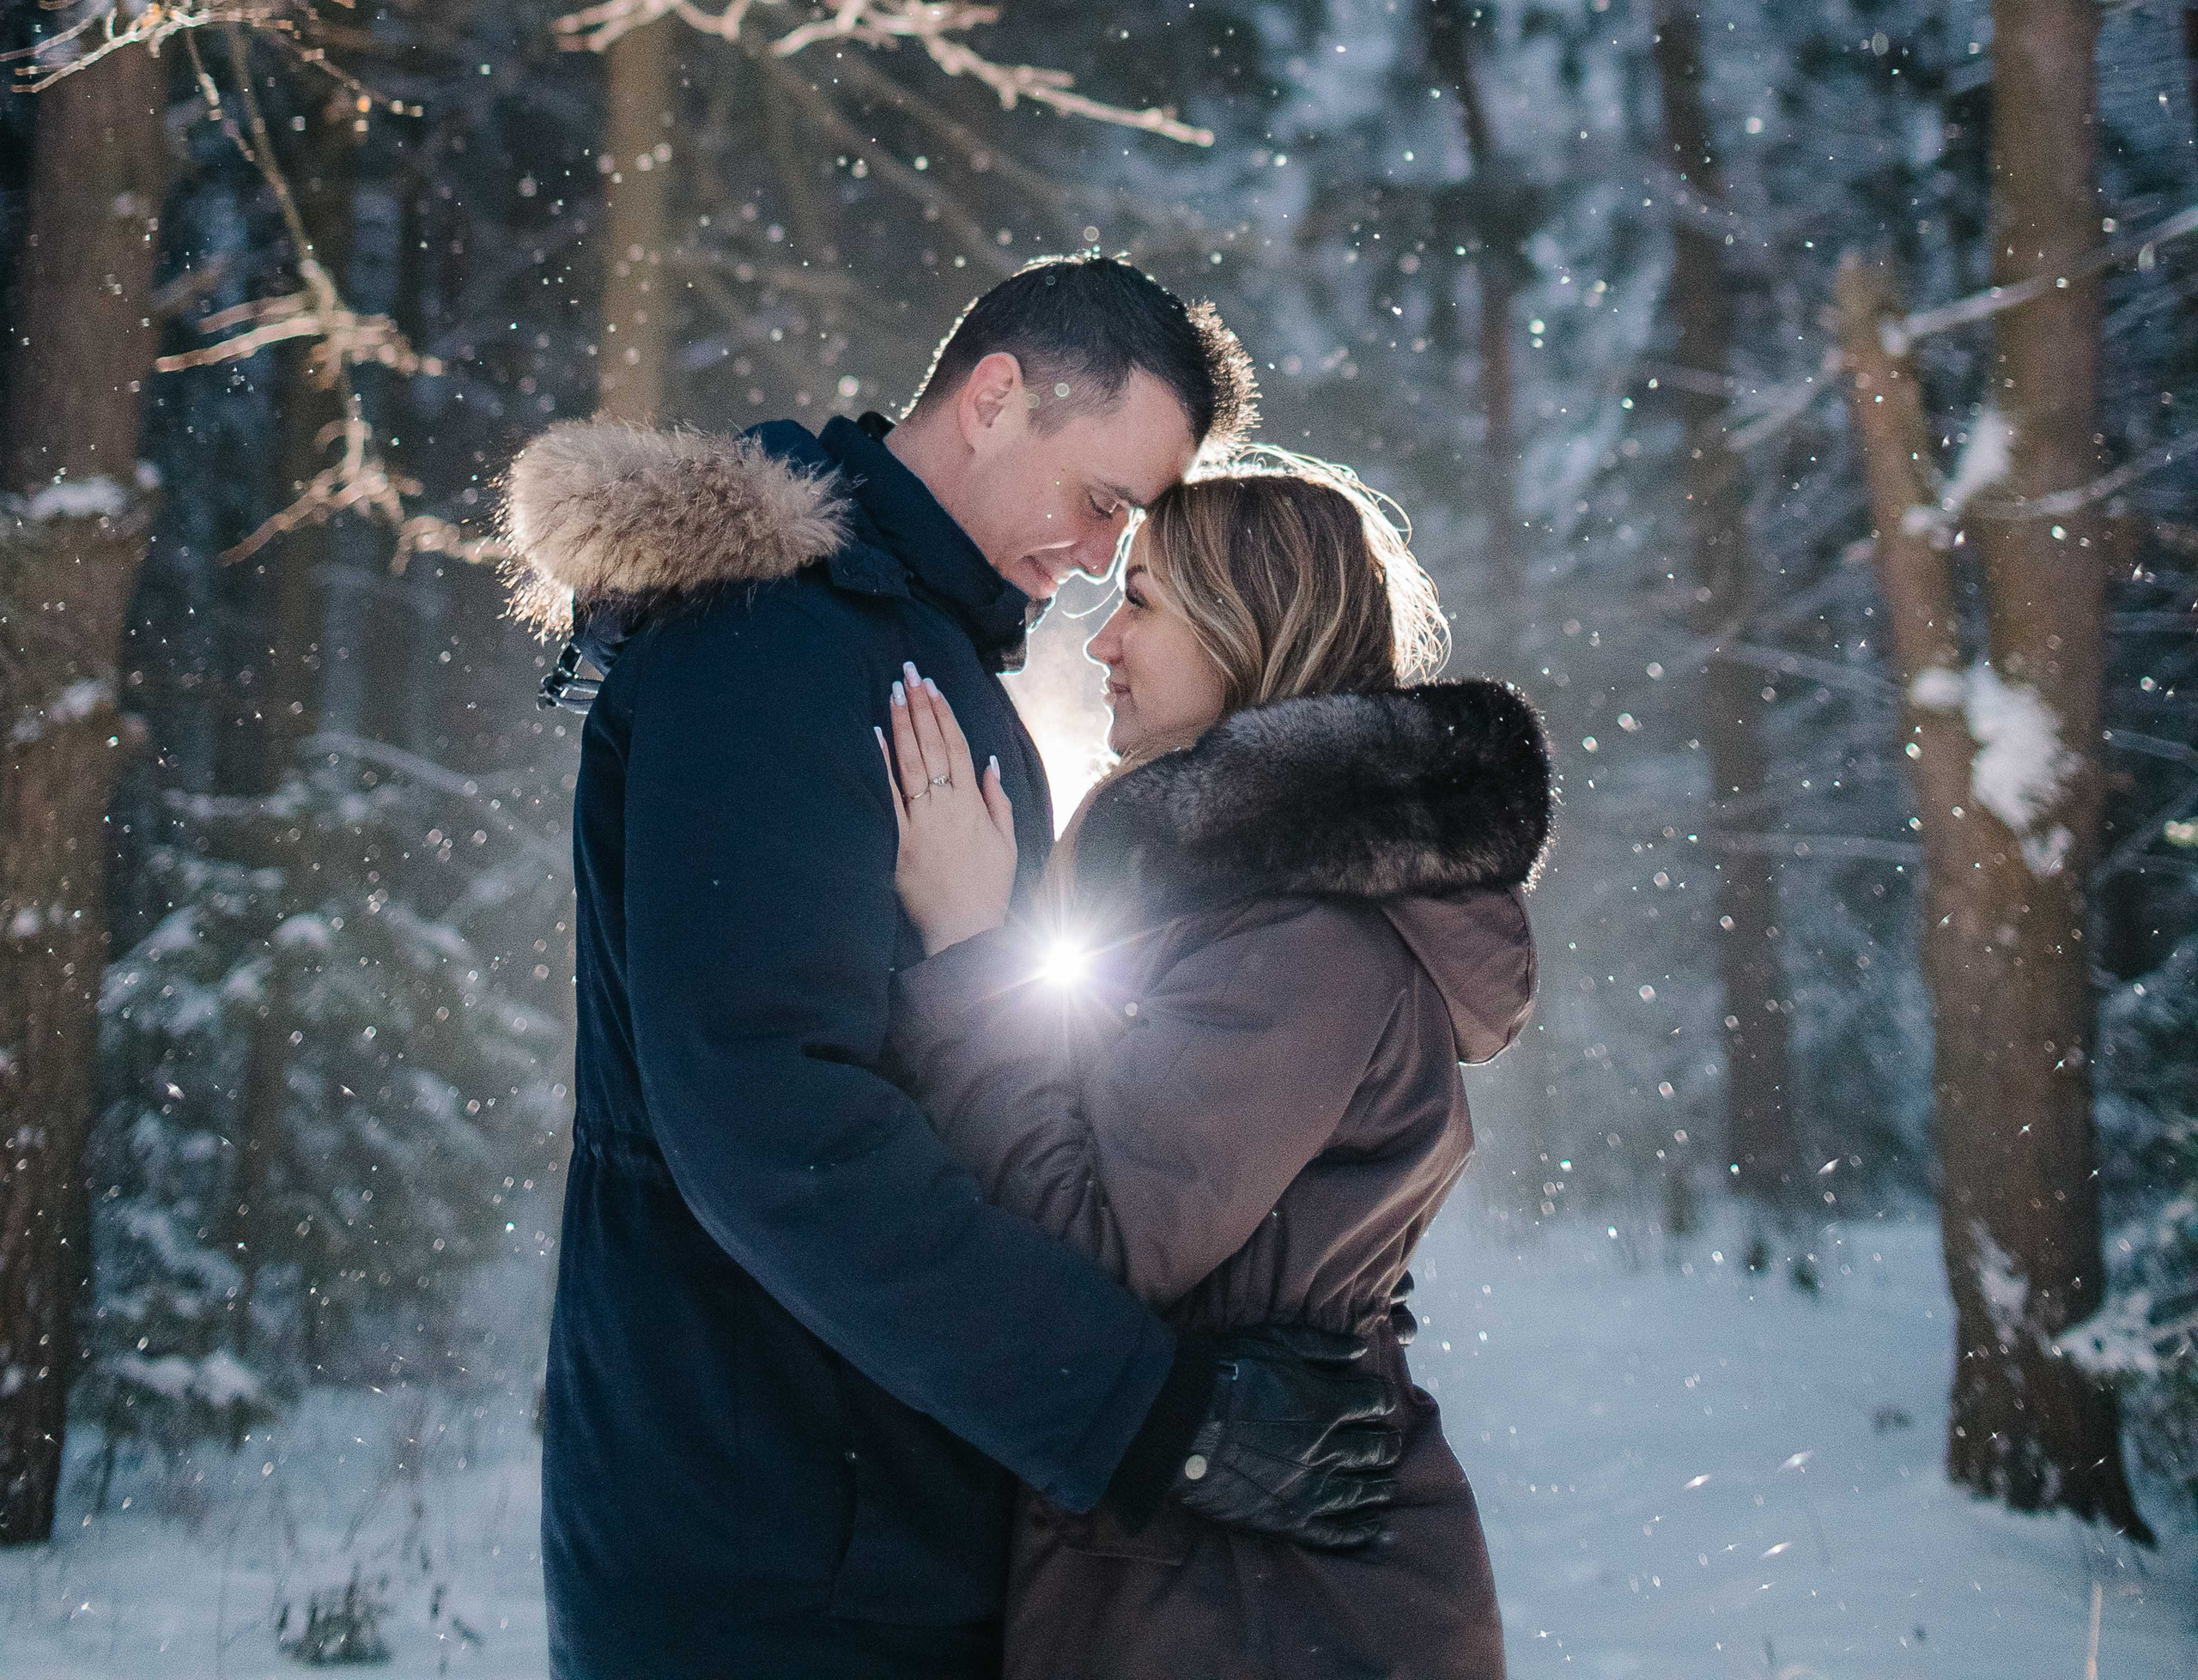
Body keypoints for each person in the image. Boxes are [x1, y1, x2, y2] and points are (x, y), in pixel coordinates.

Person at [503, 258, 1404, 1680]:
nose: (1099, 558)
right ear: (993, 400)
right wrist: (1143, 1415)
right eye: (1099, 500)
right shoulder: (779, 647)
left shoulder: (897, 645)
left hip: (857, 1515)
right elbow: (775, 1127)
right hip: (772, 1552)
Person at [873, 455, 1551, 1680]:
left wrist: (969, 952)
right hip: (1221, 1565)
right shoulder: (1240, 913)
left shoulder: (1302, 939)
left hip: (1266, 1598)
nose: (1102, 644)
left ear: (1249, 635)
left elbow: (1088, 1249)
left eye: (1140, 603)